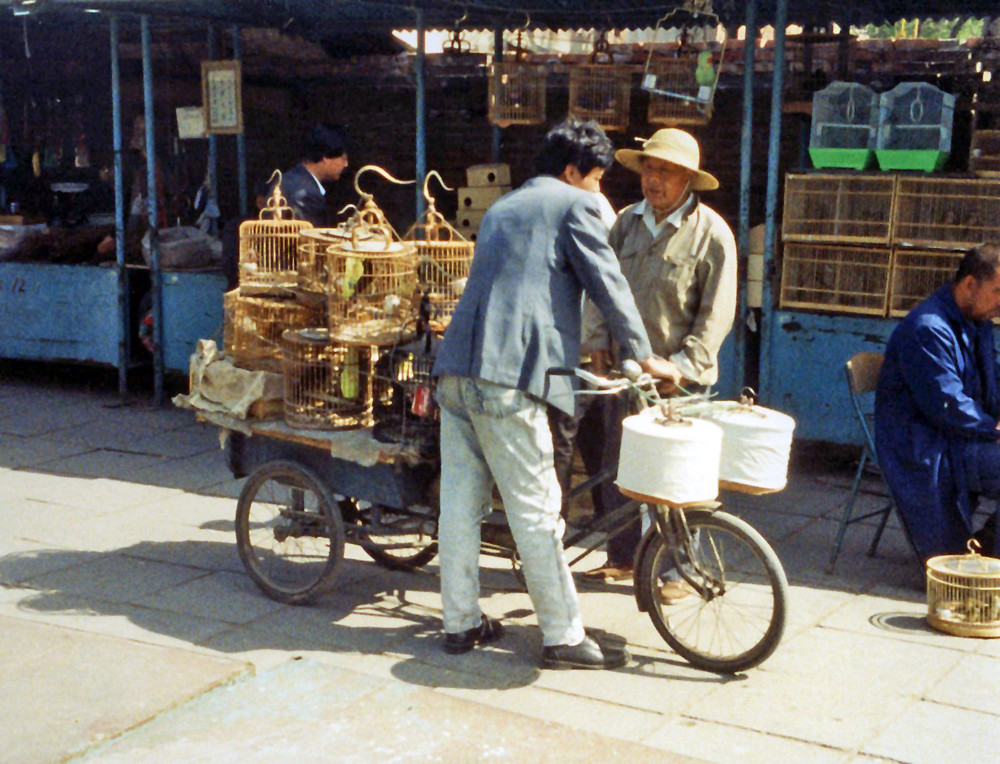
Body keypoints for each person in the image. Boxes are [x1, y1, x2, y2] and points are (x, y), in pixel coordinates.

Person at [432, 116, 678, 670]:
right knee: (539, 509)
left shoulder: (503, 207)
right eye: (596, 178)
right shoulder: (575, 205)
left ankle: (460, 623)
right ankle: (563, 636)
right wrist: (641, 352)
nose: (600, 190)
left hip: (457, 371)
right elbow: (607, 281)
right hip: (508, 380)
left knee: (460, 508)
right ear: (572, 171)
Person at [579, 127, 738, 587]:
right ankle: (623, 557)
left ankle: (676, 571)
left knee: (676, 481)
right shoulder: (626, 222)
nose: (654, 180)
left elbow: (716, 315)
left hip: (678, 381)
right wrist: (597, 345)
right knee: (616, 468)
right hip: (625, 373)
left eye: (665, 172)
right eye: (649, 169)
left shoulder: (712, 235)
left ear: (687, 178)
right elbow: (599, 290)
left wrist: (681, 367)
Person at [875, 243, 1000, 560]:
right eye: (997, 292)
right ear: (970, 284)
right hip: (929, 445)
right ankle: (986, 564)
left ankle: (986, 549)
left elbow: (991, 382)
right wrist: (995, 427)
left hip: (958, 436)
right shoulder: (928, 328)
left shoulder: (978, 322)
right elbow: (948, 407)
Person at [269, 123, 350, 227]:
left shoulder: (288, 179)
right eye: (343, 159)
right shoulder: (307, 195)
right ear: (326, 157)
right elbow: (311, 240)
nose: (346, 164)